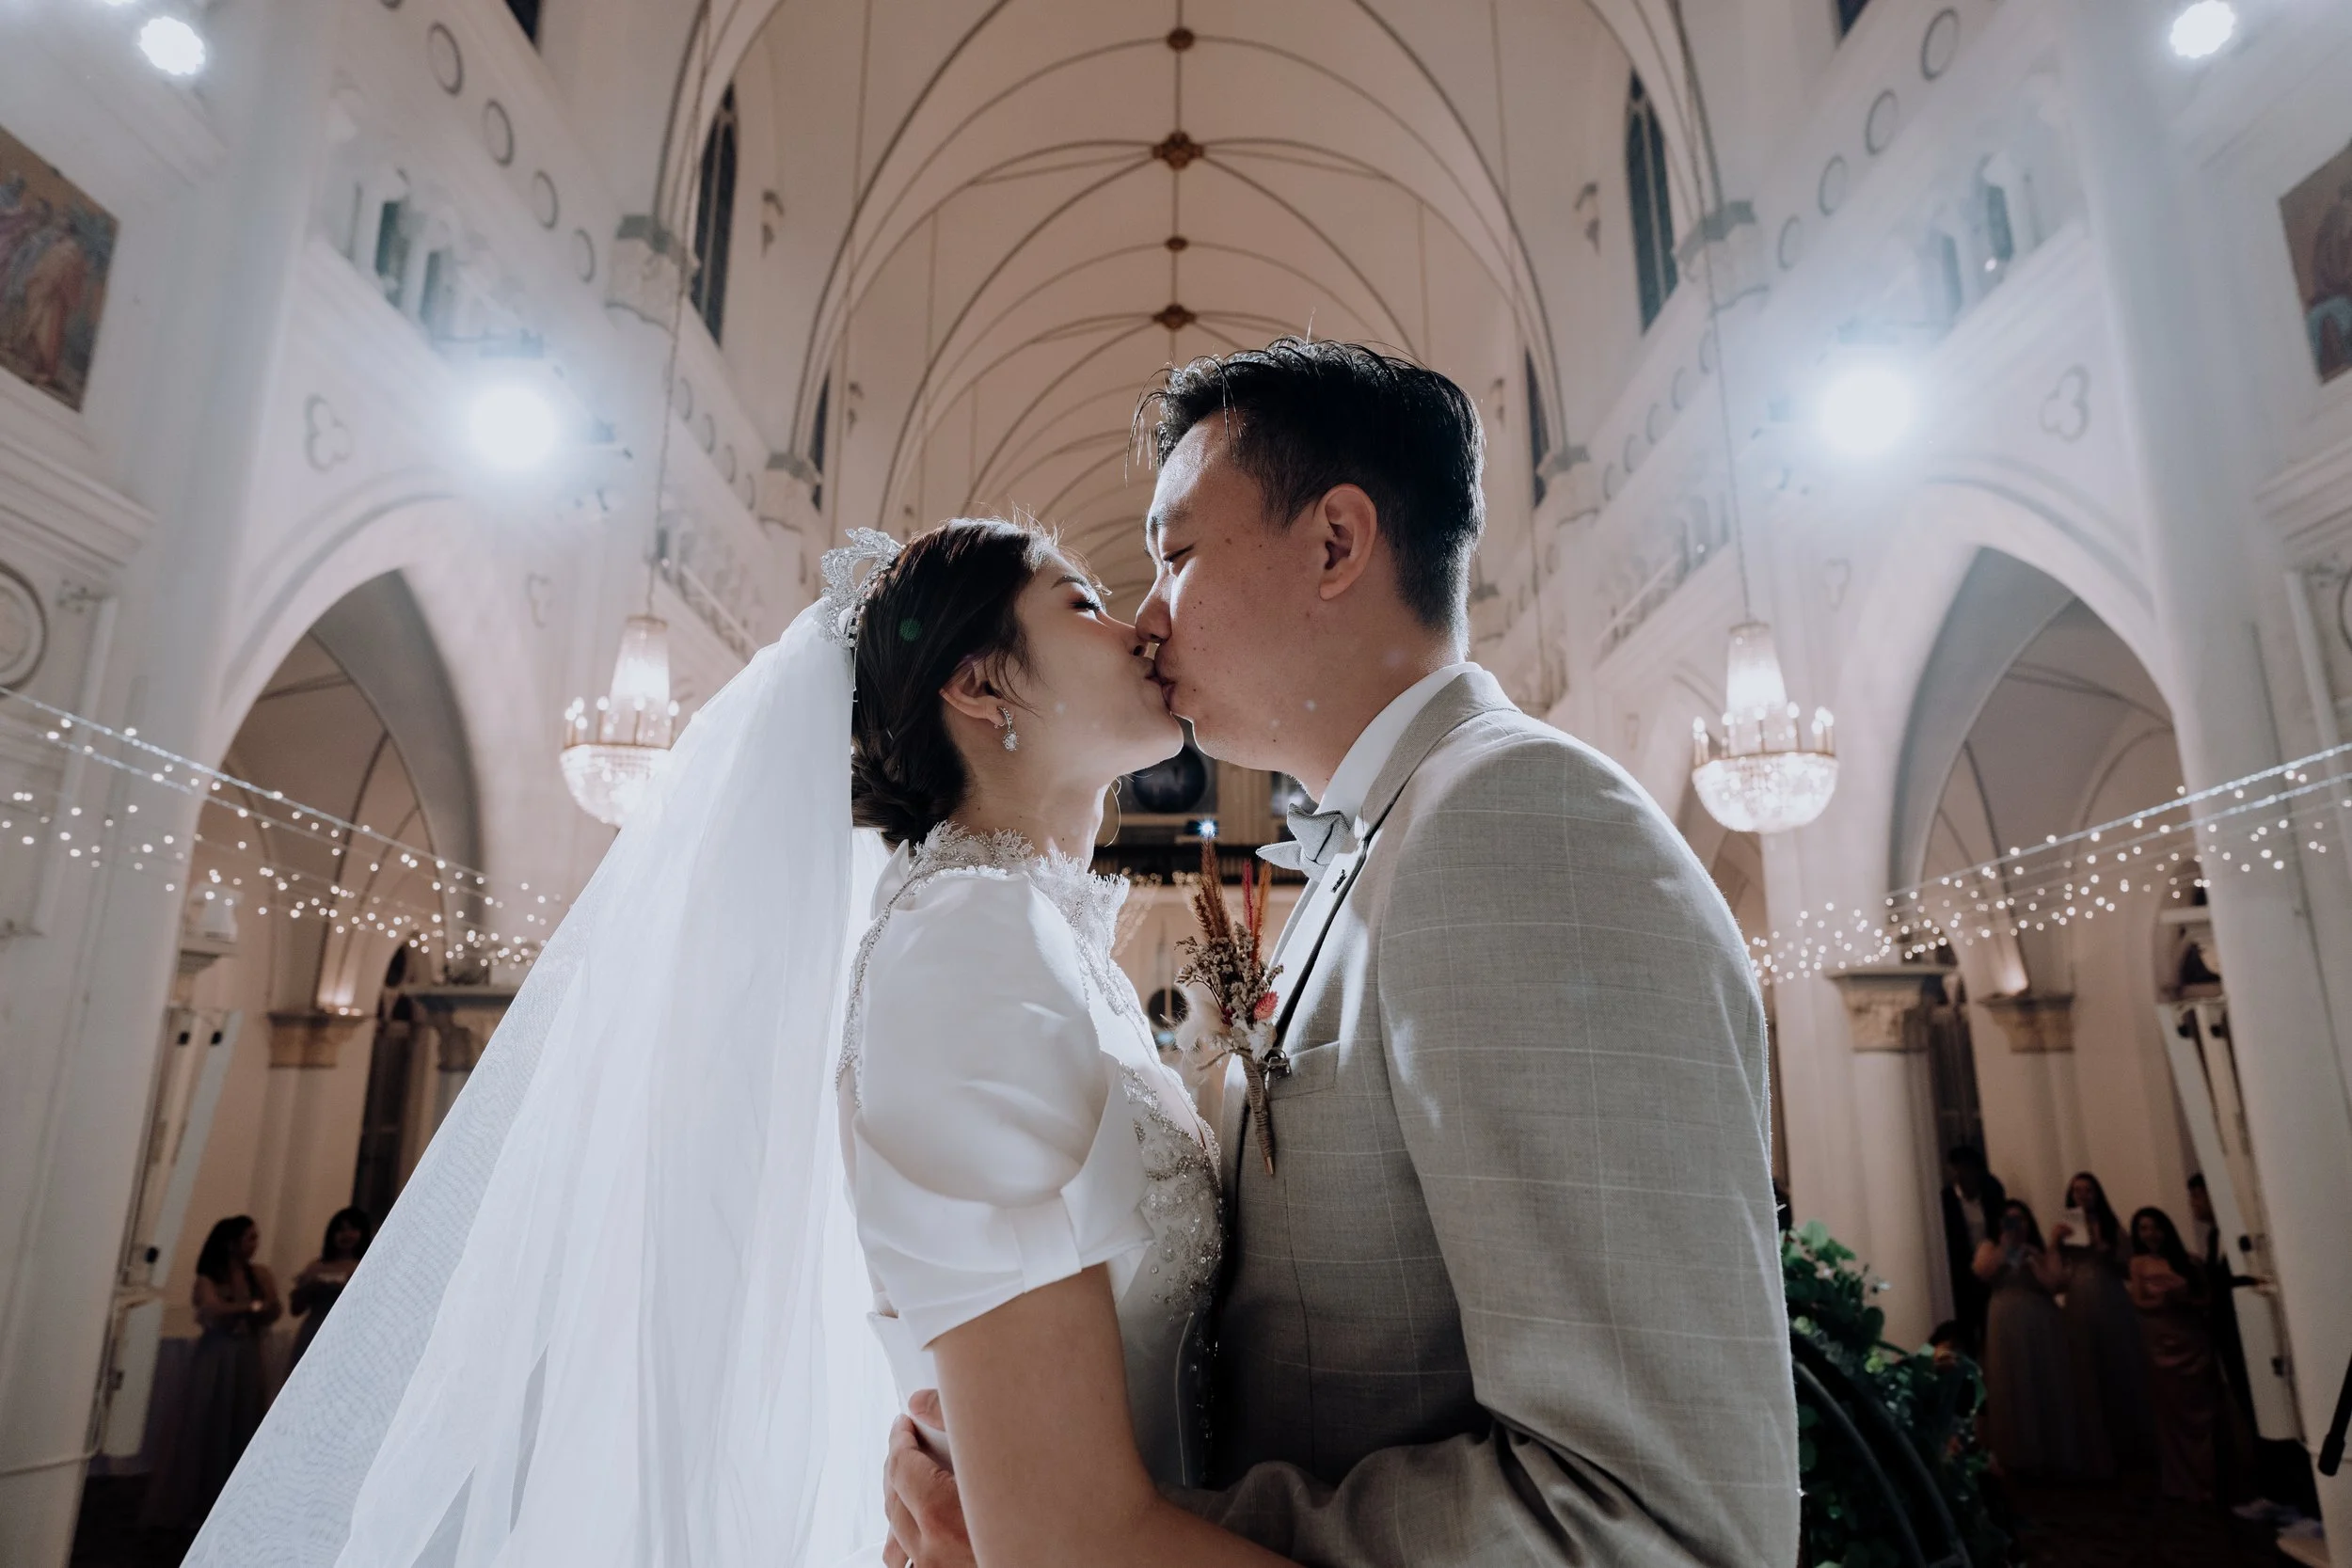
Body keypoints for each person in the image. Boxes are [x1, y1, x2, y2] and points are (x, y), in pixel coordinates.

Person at [882, 339, 1799, 1566]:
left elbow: (1653, 1522)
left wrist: (1089, 1531)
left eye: (1176, 553)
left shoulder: (1519, 825)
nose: (1148, 615)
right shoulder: (1384, 846)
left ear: (1335, 543)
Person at [142, 1216, 279, 1531]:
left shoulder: (260, 1275)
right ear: (230, 1242)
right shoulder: (208, 1277)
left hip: (246, 1354)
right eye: (249, 1238)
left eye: (256, 1238)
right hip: (216, 1355)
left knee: (243, 1419)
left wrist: (250, 1309)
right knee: (208, 1421)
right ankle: (200, 1502)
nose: (254, 1245)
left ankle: (238, 1500)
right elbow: (211, 1310)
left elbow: (272, 1307)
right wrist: (249, 1308)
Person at [1972, 1200, 2089, 1478]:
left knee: (2045, 1377)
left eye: (2021, 1219)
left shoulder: (2038, 1250)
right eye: (2009, 1219)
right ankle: (2017, 1454)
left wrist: (2044, 1252)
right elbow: (1982, 1272)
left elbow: (2055, 1284)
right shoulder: (1989, 1246)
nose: (2016, 1225)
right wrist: (2005, 1247)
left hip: (2038, 1320)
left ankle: (2052, 1451)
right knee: (2010, 1380)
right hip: (2005, 1319)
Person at [2051, 1168, 2154, 1475]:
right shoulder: (2065, 1227)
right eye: (2077, 1191)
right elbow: (2056, 1274)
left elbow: (2128, 1265)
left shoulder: (2110, 1225)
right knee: (2085, 1367)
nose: (2083, 1196)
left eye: (2088, 1191)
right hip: (2079, 1296)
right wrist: (2056, 1243)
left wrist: (2107, 1252)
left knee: (2118, 1362)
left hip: (2108, 1295)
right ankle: (2096, 1448)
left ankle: (2131, 1443)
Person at [2127, 1205, 2224, 1501]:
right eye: (2143, 1228)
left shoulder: (2189, 1261)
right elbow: (2139, 1303)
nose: (2150, 1234)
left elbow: (2206, 1299)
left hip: (2190, 1340)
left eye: (2155, 1226)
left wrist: (2182, 1298)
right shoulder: (2138, 1263)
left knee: (2203, 1409)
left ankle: (2212, 1477)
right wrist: (2164, 1302)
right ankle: (2183, 1481)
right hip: (2161, 1344)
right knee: (2171, 1411)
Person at [1941, 1145, 2008, 1354]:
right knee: (1966, 1326)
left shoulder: (1992, 1195)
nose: (1964, 1174)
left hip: (1991, 1269)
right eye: (1960, 1169)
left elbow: (2003, 1227)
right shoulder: (1946, 1200)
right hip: (1962, 1272)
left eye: (1969, 1169)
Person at [287, 1207, 371, 1366]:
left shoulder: (367, 1266)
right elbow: (296, 1309)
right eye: (340, 1230)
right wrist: (309, 1288)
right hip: (315, 1328)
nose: (346, 1235)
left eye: (352, 1229)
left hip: (350, 1332)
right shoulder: (316, 1267)